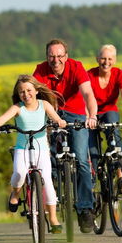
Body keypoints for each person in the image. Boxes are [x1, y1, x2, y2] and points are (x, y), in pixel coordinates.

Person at [33, 38, 98, 233]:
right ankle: (50, 197)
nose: (56, 60)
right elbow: (34, 96)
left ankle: (86, 208)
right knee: (46, 158)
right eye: (52, 56)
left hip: (76, 113)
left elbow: (88, 94)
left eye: (60, 56)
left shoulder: (76, 67)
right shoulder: (40, 70)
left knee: (82, 160)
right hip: (51, 114)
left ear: (66, 56)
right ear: (47, 57)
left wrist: (92, 115)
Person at [0, 75, 67, 234]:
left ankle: (52, 218)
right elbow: (3, 118)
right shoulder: (18, 108)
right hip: (22, 149)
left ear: (37, 91)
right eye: (22, 92)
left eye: (29, 90)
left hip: (41, 150)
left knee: (48, 183)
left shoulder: (44, 105)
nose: (26, 94)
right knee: (19, 173)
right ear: (18, 94)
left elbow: (56, 117)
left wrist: (60, 122)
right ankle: (15, 194)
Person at [87, 44, 122, 174]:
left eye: (110, 59)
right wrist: (88, 117)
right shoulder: (89, 75)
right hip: (91, 113)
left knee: (114, 132)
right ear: (97, 59)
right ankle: (93, 181)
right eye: (103, 58)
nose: (106, 62)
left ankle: (121, 171)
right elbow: (84, 99)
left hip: (109, 110)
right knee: (92, 148)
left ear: (114, 60)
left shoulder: (120, 74)